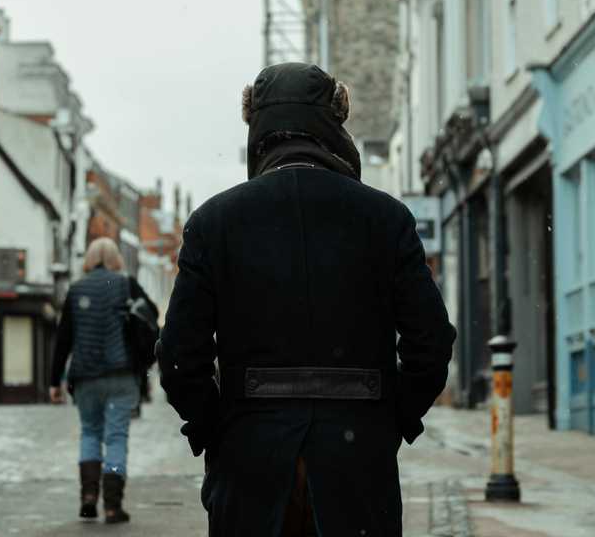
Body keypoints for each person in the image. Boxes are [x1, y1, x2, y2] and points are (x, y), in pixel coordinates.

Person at [158, 62, 456, 537]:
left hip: (253, 462)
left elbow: (178, 356)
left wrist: (217, 431)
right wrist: (388, 421)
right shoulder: (385, 218)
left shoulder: (215, 222)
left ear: (256, 127)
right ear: (334, 124)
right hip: (356, 465)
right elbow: (432, 342)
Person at [50, 237, 159, 525]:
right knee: (115, 437)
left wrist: (53, 382)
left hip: (85, 376)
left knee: (89, 432)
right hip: (121, 374)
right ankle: (112, 505)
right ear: (115, 258)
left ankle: (88, 497)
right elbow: (152, 315)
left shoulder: (76, 289)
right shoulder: (126, 285)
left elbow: (63, 340)